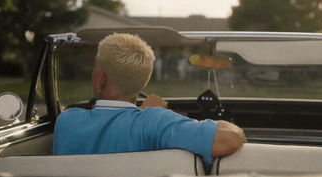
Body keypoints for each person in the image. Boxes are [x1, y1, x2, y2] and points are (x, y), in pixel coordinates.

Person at [53, 33, 245, 165]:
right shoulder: (155, 122)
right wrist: (146, 113)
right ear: (143, 81)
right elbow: (232, 138)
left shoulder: (66, 121)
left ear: (100, 78)